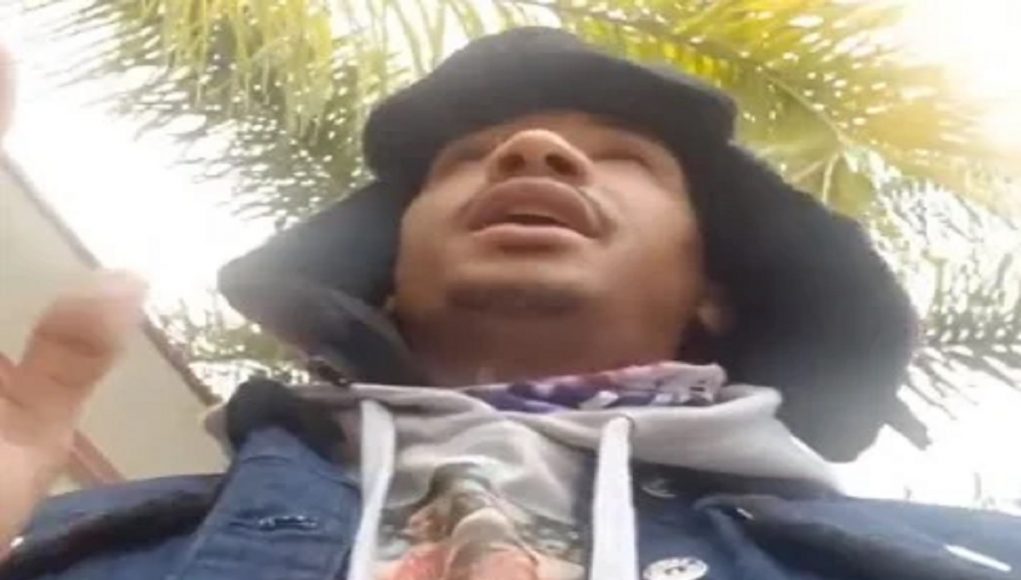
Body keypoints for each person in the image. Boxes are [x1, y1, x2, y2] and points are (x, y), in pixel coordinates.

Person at [0, 27, 1018, 580]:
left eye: (625, 159)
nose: (535, 152)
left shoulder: (961, 558)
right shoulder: (64, 544)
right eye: (466, 159)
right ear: (386, 275)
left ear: (713, 288)